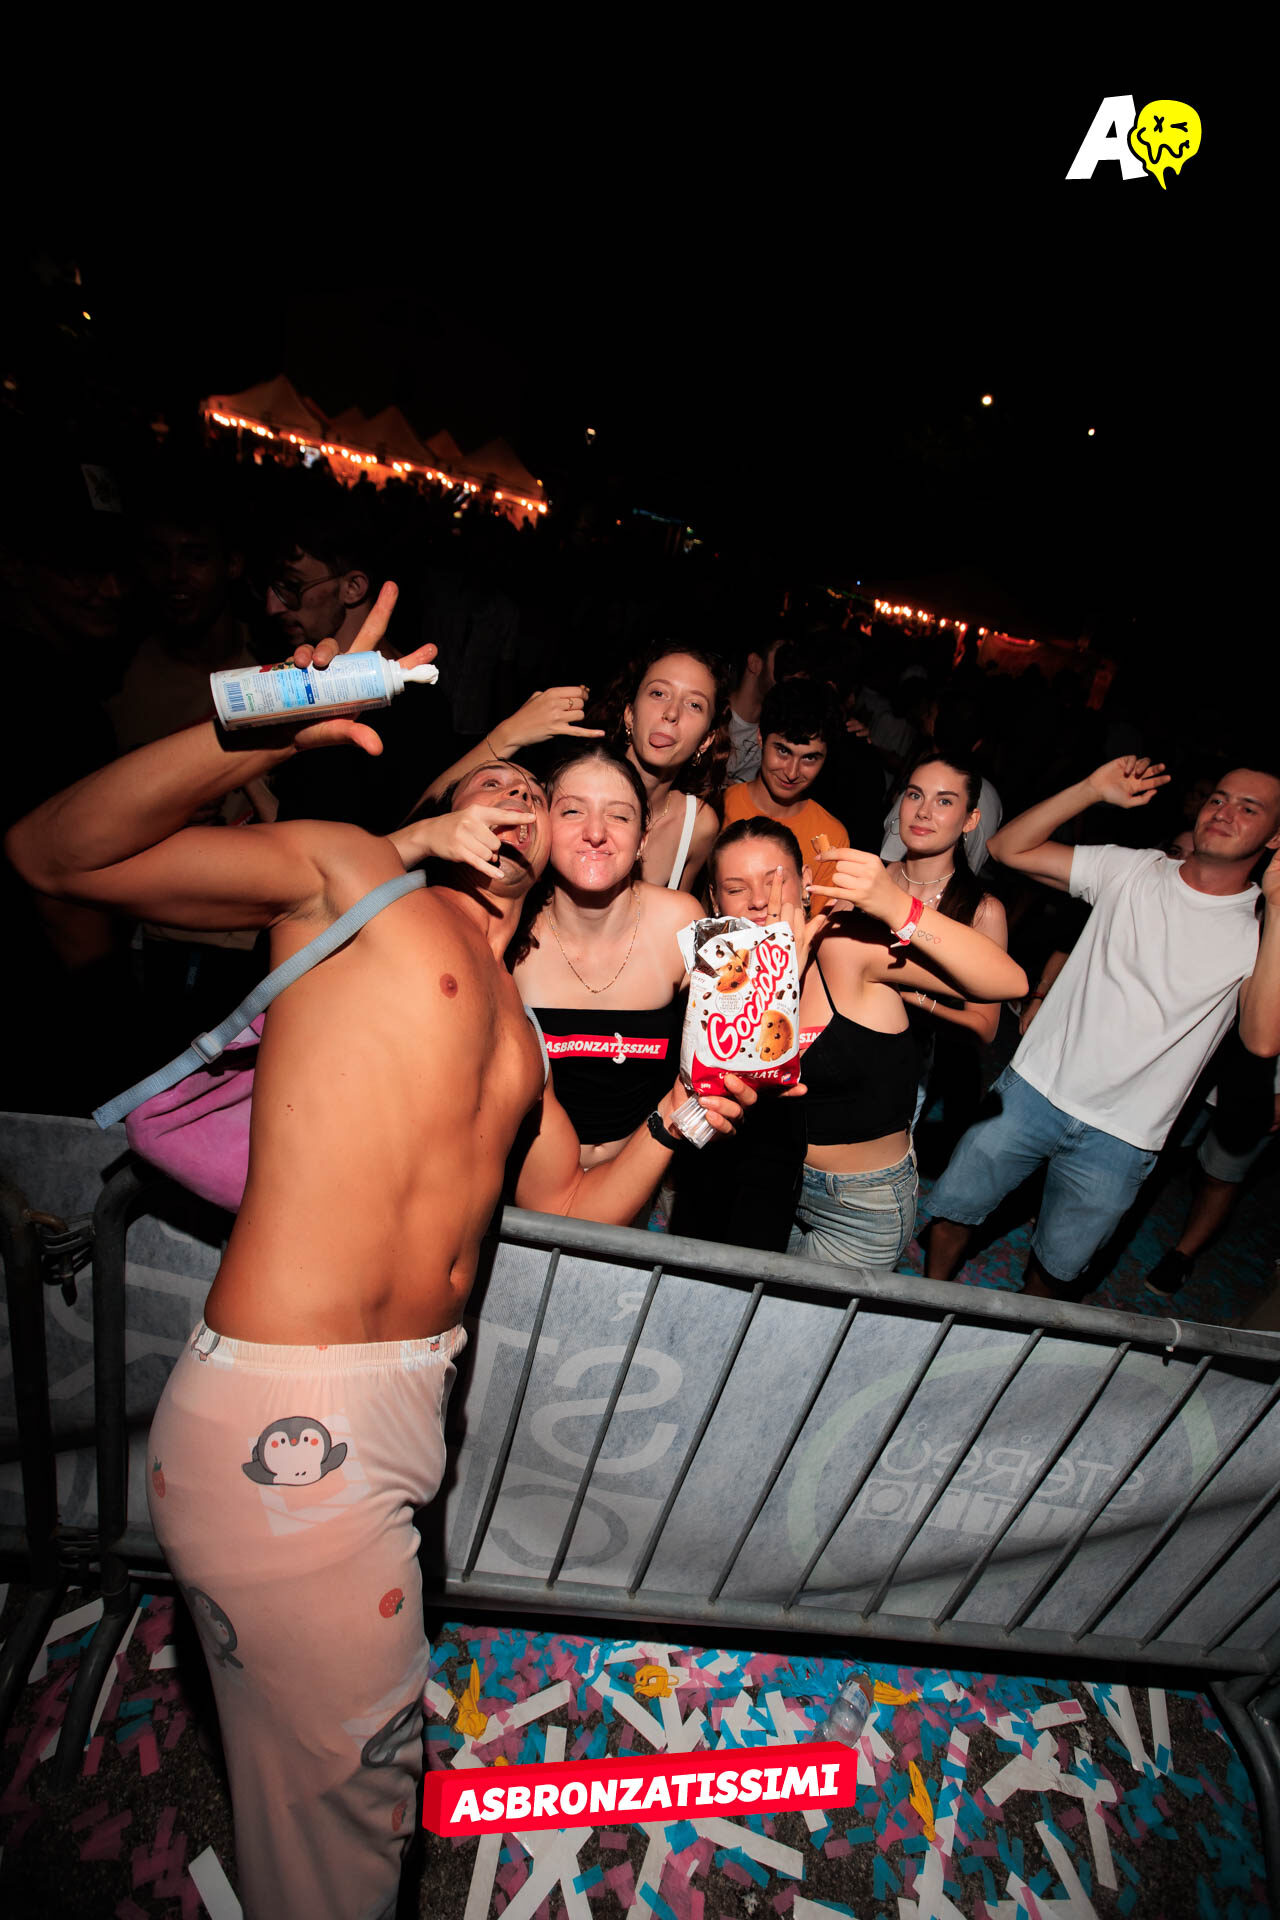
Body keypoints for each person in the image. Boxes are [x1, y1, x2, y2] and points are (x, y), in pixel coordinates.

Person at [5, 586, 753, 1920]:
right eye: (503, 785)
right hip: (290, 1412)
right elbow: (54, 851)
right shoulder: (348, 884)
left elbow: (579, 1204)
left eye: (549, 802)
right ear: (452, 800)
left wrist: (686, 1112)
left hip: (409, 1410)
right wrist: (281, 715)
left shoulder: (520, 1030)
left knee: (342, 1794)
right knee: (353, 1827)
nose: (522, 809)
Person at [925, 759, 1280, 1298]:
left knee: (1057, 1266)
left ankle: (1013, 1338)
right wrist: (1089, 789)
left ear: (1275, 837)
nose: (1223, 812)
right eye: (1218, 799)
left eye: (1248, 808)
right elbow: (1006, 848)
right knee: (955, 1210)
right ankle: (929, 1302)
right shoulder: (1133, 869)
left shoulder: (1261, 929)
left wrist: (1277, 906)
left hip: (1126, 1134)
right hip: (1035, 1088)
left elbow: (1262, 1039)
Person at [677, 819, 1027, 1268]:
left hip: (859, 1207)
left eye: (775, 880)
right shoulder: (716, 974)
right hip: (767, 1183)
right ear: (715, 899)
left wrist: (899, 907)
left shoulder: (845, 944)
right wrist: (776, 979)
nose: (759, 900)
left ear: (805, 881)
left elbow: (1008, 982)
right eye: (736, 888)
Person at [512, 745, 702, 1170]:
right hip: (528, 1183)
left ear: (643, 838)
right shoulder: (511, 927)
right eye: (572, 811)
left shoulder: (680, 921)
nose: (596, 832)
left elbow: (724, 1050)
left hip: (642, 1177)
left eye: (618, 816)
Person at [881, 752, 1010, 1129]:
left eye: (944, 801)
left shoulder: (982, 911)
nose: (923, 812)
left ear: (970, 819)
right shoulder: (875, 878)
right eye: (915, 795)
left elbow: (984, 1025)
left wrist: (916, 999)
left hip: (902, 1069)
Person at [599, 645, 729, 890]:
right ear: (630, 713)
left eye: (694, 705)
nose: (671, 713)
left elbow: (678, 914)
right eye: (658, 693)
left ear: (706, 740)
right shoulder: (570, 792)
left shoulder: (698, 825)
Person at [722, 679, 850, 872]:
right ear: (760, 737)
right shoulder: (720, 808)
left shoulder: (831, 838)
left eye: (809, 758)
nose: (791, 773)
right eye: (783, 751)